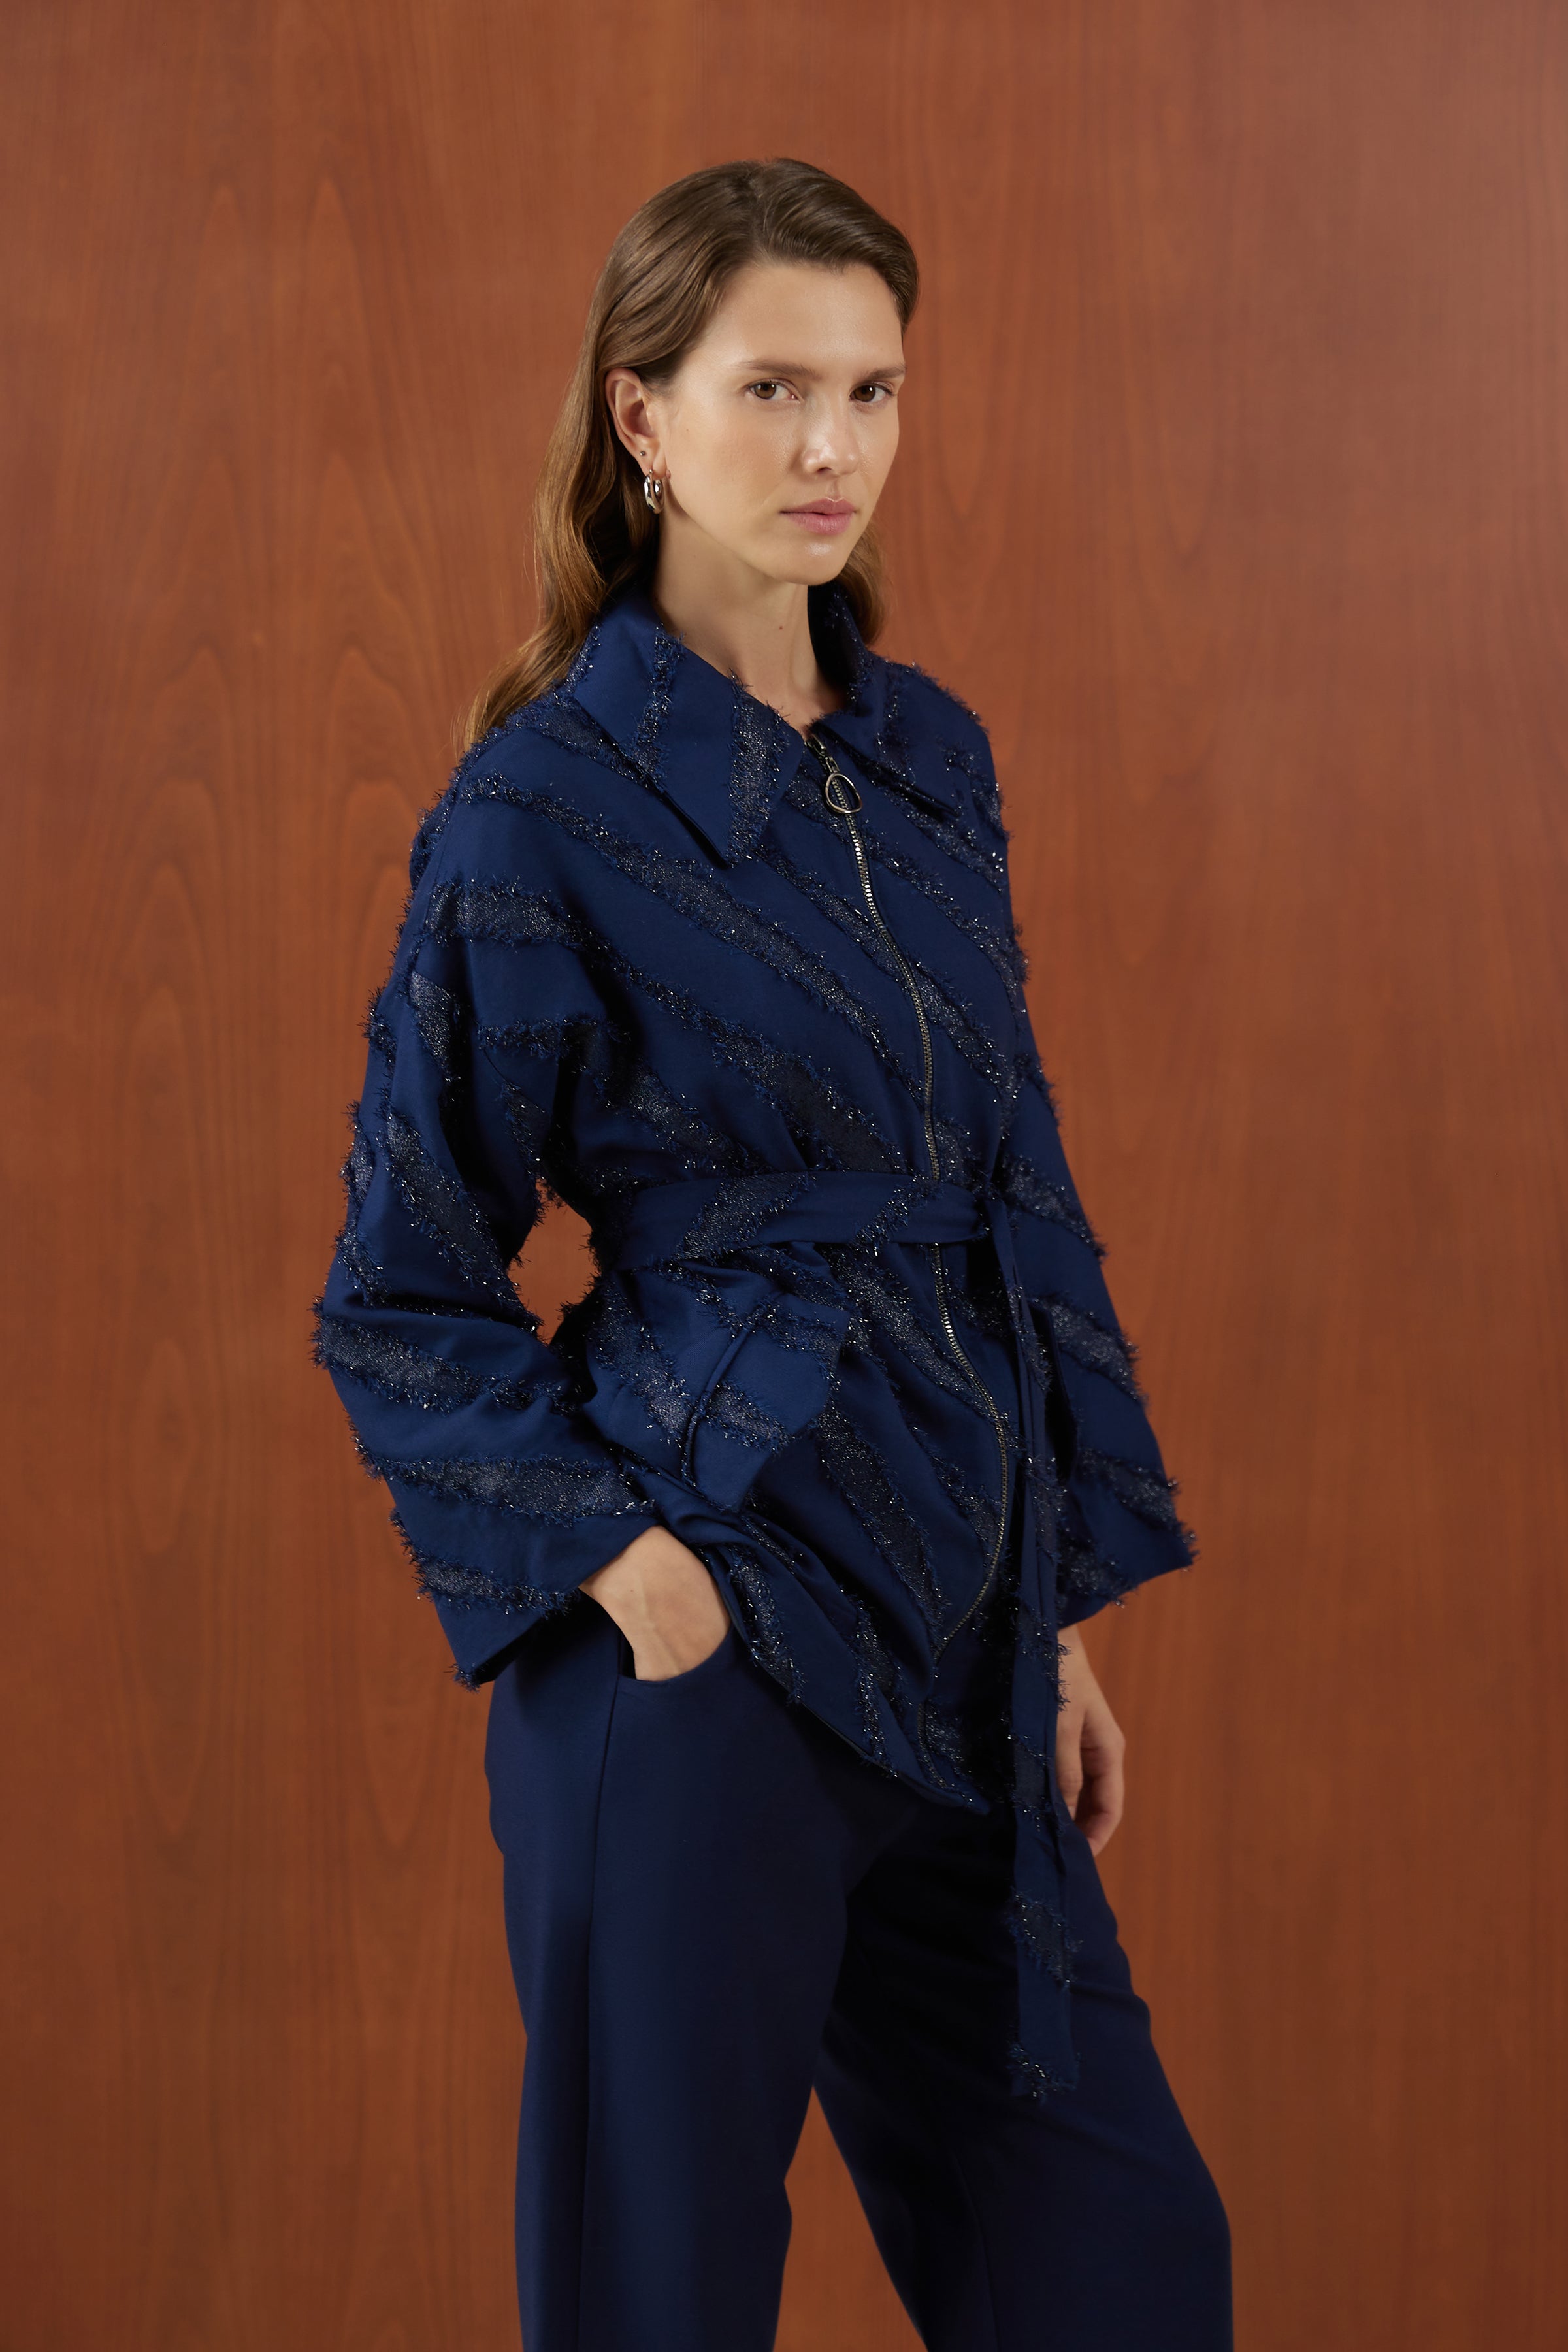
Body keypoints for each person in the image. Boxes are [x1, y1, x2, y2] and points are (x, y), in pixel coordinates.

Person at [315, 156, 1233, 2352]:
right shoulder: (541, 810)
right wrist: (623, 1570)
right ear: (642, 415)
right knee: (662, 2303)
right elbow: (402, 1285)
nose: (835, 447)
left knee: (1126, 2275)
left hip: (960, 1646)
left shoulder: (932, 765)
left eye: (873, 390)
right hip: (700, 1657)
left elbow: (1007, 1187)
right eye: (773, 388)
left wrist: (1048, 1615)